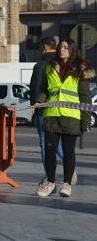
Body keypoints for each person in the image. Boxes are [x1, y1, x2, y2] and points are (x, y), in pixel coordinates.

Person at [35, 38, 94, 198]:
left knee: (68, 152)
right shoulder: (50, 67)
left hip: (71, 116)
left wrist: (85, 121)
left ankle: (66, 184)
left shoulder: (79, 69)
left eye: (66, 48)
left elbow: (85, 97)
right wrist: (39, 101)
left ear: (72, 50)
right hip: (52, 114)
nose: (62, 50)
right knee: (50, 149)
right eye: (61, 47)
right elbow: (44, 90)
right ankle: (50, 182)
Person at [30, 37, 66, 183]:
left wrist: (34, 104)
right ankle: (70, 164)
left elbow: (35, 87)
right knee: (57, 141)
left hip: (44, 108)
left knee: (45, 142)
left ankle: (49, 177)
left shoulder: (41, 64)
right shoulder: (61, 63)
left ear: (43, 47)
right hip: (62, 109)